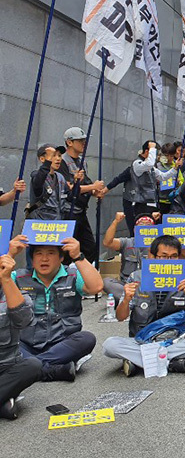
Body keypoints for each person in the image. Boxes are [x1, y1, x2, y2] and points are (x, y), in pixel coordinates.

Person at [102, 234, 185, 376]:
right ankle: (171, 362)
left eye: (173, 257)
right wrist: (126, 300)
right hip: (141, 340)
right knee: (109, 345)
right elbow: (121, 317)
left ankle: (141, 361)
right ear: (152, 256)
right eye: (164, 256)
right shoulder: (136, 277)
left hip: (175, 339)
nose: (168, 261)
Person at [9, 235, 102, 381]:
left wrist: (78, 256)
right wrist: (9, 255)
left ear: (61, 258)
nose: (44, 259)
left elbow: (96, 287)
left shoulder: (72, 275)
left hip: (62, 344)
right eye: (38, 253)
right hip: (25, 343)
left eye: (50, 253)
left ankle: (30, 367)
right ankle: (52, 370)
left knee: (87, 338)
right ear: (32, 258)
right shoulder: (17, 277)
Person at [0, 252, 42, 420]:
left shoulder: (13, 291)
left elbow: (24, 321)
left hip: (8, 366)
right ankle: (5, 398)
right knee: (7, 411)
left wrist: (6, 279)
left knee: (33, 365)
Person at [56, 127, 105, 262]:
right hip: (68, 212)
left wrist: (95, 192)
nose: (84, 143)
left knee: (90, 249)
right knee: (66, 249)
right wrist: (93, 186)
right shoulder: (62, 162)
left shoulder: (82, 161)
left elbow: (87, 184)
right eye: (80, 141)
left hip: (81, 212)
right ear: (69, 142)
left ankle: (83, 278)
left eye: (84, 141)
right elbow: (69, 188)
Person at [103, 141, 161, 235]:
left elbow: (162, 176)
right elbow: (118, 179)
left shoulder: (149, 169)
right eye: (154, 153)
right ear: (147, 152)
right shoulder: (137, 166)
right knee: (136, 232)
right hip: (134, 204)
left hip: (145, 204)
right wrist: (104, 191)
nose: (156, 157)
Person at [101, 211, 155, 300]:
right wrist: (116, 221)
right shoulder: (127, 242)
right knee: (106, 282)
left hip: (148, 285)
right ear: (134, 229)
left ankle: (130, 299)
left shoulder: (158, 245)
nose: (144, 228)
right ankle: (134, 299)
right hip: (126, 285)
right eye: (141, 225)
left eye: (148, 225)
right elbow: (107, 242)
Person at [27, 144, 69, 221]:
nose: (58, 159)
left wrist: (77, 183)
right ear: (42, 159)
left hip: (58, 224)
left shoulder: (61, 178)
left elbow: (69, 197)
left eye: (59, 155)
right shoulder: (37, 175)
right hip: (40, 224)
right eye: (53, 156)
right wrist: (47, 163)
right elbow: (38, 184)